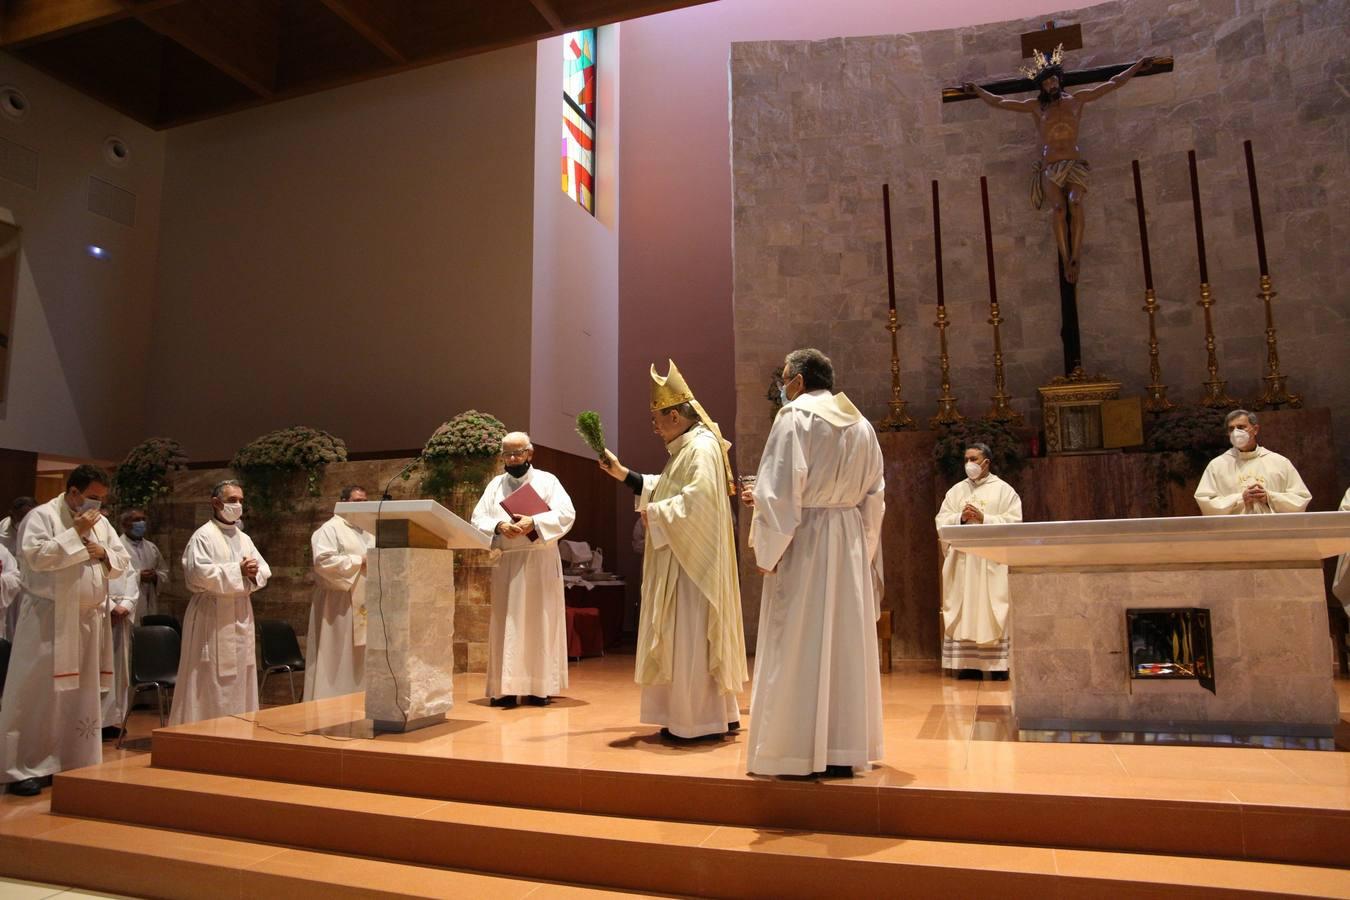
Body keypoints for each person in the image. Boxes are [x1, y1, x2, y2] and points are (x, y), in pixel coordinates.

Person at [741, 348, 885, 777]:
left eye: (783, 379)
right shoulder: (862, 425)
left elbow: (780, 491)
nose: (782, 389)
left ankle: (794, 751)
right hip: (848, 537)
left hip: (805, 541)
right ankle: (842, 747)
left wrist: (767, 550)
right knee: (843, 640)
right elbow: (875, 497)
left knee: (798, 638)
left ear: (798, 381)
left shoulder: (794, 417)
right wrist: (864, 549)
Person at [600, 360, 748, 740]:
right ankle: (713, 713)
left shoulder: (700, 448)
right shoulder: (688, 449)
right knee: (686, 637)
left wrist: (656, 512)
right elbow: (665, 487)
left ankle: (696, 720)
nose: (654, 426)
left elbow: (698, 501)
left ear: (676, 415)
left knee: (691, 635)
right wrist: (624, 475)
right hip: (682, 559)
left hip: (691, 564)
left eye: (656, 418)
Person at [965, 51, 1153, 282]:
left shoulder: (1078, 100)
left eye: (1053, 79)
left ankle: (1076, 256)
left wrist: (1137, 66)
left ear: (1059, 80)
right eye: (1046, 81)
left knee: (1075, 201)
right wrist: (977, 90)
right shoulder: (1037, 107)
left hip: (1073, 163)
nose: (1051, 84)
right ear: (1041, 86)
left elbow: (1114, 83)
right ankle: (1066, 259)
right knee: (1059, 209)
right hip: (1051, 166)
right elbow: (1000, 102)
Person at [0, 466, 129, 796]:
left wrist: (103, 554)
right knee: (38, 694)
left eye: (102, 499)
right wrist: (75, 533)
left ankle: (71, 759)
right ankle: (22, 768)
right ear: (73, 492)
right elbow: (36, 559)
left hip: (87, 621)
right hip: (49, 620)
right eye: (93, 497)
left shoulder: (102, 523)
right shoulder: (41, 517)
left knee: (79, 694)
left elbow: (121, 560)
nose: (98, 505)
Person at [471, 432, 576, 708]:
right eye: (507, 454)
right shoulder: (495, 484)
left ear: (530, 453)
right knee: (508, 622)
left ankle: (538, 687)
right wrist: (498, 526)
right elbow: (478, 517)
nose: (513, 459)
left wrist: (535, 522)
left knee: (538, 621)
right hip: (508, 561)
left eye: (518, 453)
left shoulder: (547, 481)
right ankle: (504, 688)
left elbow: (566, 514)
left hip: (538, 560)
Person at [168, 480, 271, 725]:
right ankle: (203, 733)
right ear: (216, 503)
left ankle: (239, 732)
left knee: (241, 676)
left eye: (241, 501)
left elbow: (264, 570)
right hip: (211, 616)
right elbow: (196, 574)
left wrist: (253, 572)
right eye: (232, 500)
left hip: (239, 614)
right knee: (208, 674)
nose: (237, 505)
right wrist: (237, 570)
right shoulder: (203, 536)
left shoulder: (243, 538)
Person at [934, 443, 1024, 680]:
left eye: (974, 459)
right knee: (965, 609)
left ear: (987, 463)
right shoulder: (956, 492)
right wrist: (960, 518)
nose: (969, 464)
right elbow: (941, 521)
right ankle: (968, 664)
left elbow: (1015, 524)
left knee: (991, 608)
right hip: (963, 561)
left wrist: (985, 518)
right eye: (966, 459)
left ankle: (997, 666)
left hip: (991, 563)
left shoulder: (1004, 491)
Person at [303, 485, 375, 702]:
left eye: (365, 502)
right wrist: (359, 561)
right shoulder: (330, 529)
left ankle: (360, 699)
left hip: (365, 602)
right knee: (336, 656)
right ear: (343, 502)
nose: (363, 506)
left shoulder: (369, 532)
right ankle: (331, 700)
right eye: (358, 502)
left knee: (361, 658)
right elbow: (323, 562)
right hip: (337, 604)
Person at [1194, 410, 1311, 515]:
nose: (1236, 432)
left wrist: (1269, 497)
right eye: (1231, 429)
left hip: (1272, 530)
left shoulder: (1279, 462)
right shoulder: (1217, 465)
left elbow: (1301, 499)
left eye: (1241, 427)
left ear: (1255, 429)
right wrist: (1241, 498)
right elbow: (1206, 502)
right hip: (1235, 531)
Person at [100, 547, 140, 739]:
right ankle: (94, 720)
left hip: (120, 617)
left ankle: (110, 719)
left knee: (118, 670)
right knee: (97, 670)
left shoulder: (116, 551)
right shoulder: (86, 550)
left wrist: (126, 605)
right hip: (97, 615)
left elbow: (131, 577)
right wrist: (108, 607)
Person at [117, 508, 169, 621]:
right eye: (136, 520)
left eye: (143, 519)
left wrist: (155, 576)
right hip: (128, 604)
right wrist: (138, 576)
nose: (141, 523)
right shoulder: (117, 547)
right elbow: (114, 577)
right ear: (125, 524)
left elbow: (164, 572)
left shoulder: (152, 547)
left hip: (150, 601)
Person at [0, 496, 35, 640]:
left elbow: (13, 575)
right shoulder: (2, 534)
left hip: (30, 587)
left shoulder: (40, 530)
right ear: (11, 515)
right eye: (21, 518)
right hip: (7, 599)